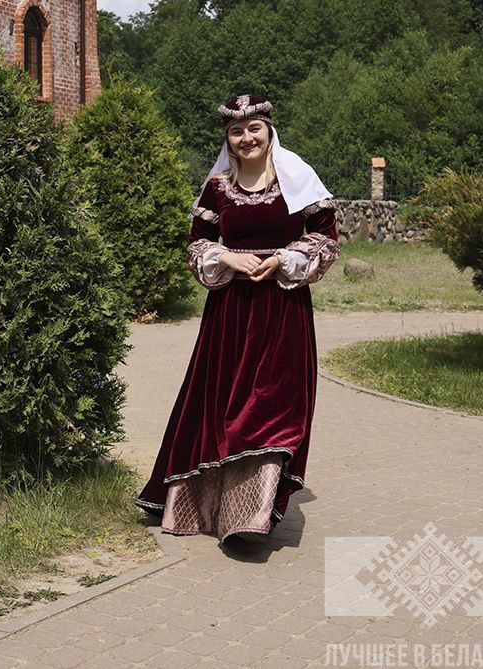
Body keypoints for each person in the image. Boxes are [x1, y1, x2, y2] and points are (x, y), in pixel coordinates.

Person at [135, 94, 340, 542]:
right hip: (229, 315)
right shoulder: (217, 188)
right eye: (236, 131)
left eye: (254, 129)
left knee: (272, 407)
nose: (246, 138)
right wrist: (227, 256)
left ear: (268, 131)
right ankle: (203, 507)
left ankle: (252, 516)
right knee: (220, 405)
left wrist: (285, 258)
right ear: (227, 139)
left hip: (281, 311)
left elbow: (325, 235)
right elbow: (197, 243)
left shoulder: (297, 179)